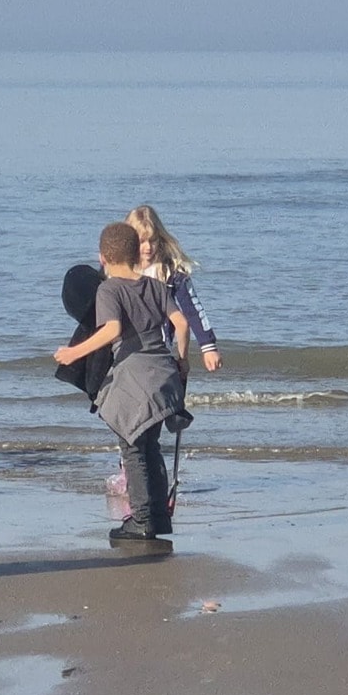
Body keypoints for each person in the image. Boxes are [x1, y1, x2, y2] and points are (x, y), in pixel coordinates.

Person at [53, 222, 189, 543]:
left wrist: (73, 353)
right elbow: (181, 324)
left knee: (133, 448)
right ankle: (159, 516)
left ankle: (141, 520)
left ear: (102, 258)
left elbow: (112, 330)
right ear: (137, 255)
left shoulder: (109, 290)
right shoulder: (156, 286)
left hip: (134, 379)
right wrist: (183, 361)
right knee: (151, 447)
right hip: (164, 375)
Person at [125, 204, 223, 371]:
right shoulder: (119, 269)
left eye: (153, 240)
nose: (148, 247)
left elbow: (193, 310)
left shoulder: (172, 272)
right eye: (142, 241)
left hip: (160, 351)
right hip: (126, 351)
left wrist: (208, 347)